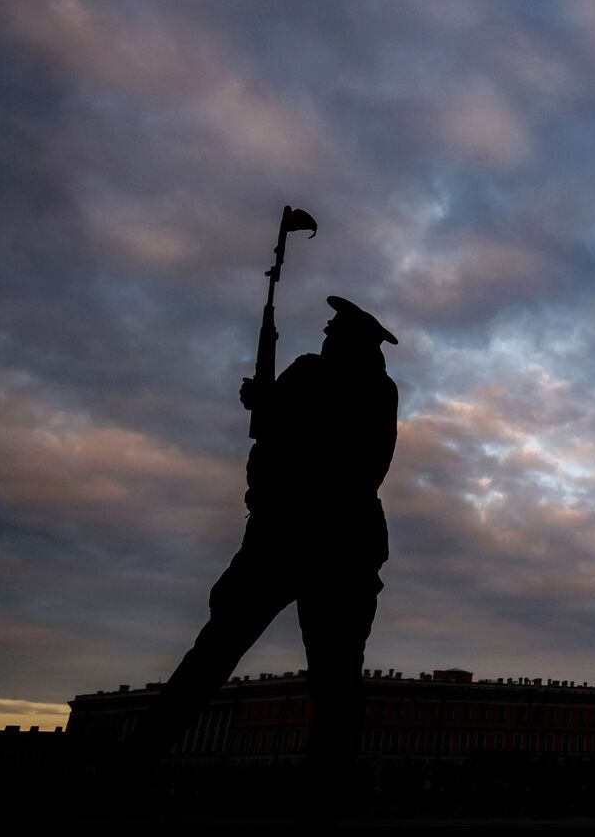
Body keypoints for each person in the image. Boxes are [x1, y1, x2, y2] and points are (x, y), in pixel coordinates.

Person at [130, 295, 399, 820]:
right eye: (328, 333)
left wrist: (274, 406)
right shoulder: (323, 377)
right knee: (233, 653)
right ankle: (138, 758)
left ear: (356, 343)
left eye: (336, 334)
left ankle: (321, 792)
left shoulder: (358, 386)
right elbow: (287, 429)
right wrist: (268, 401)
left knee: (317, 670)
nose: (326, 338)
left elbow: (352, 461)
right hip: (300, 537)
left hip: (316, 539)